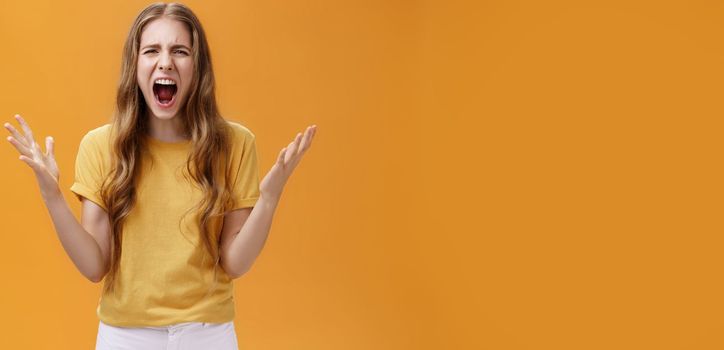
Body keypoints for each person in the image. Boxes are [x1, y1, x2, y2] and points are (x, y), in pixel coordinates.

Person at [3, 2, 316, 349]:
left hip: (208, 335)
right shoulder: (100, 146)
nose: (165, 61)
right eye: (152, 50)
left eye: (180, 51)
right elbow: (94, 266)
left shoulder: (235, 144)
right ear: (135, 65)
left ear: (198, 67)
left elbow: (236, 262)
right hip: (125, 337)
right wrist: (52, 195)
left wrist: (269, 199)